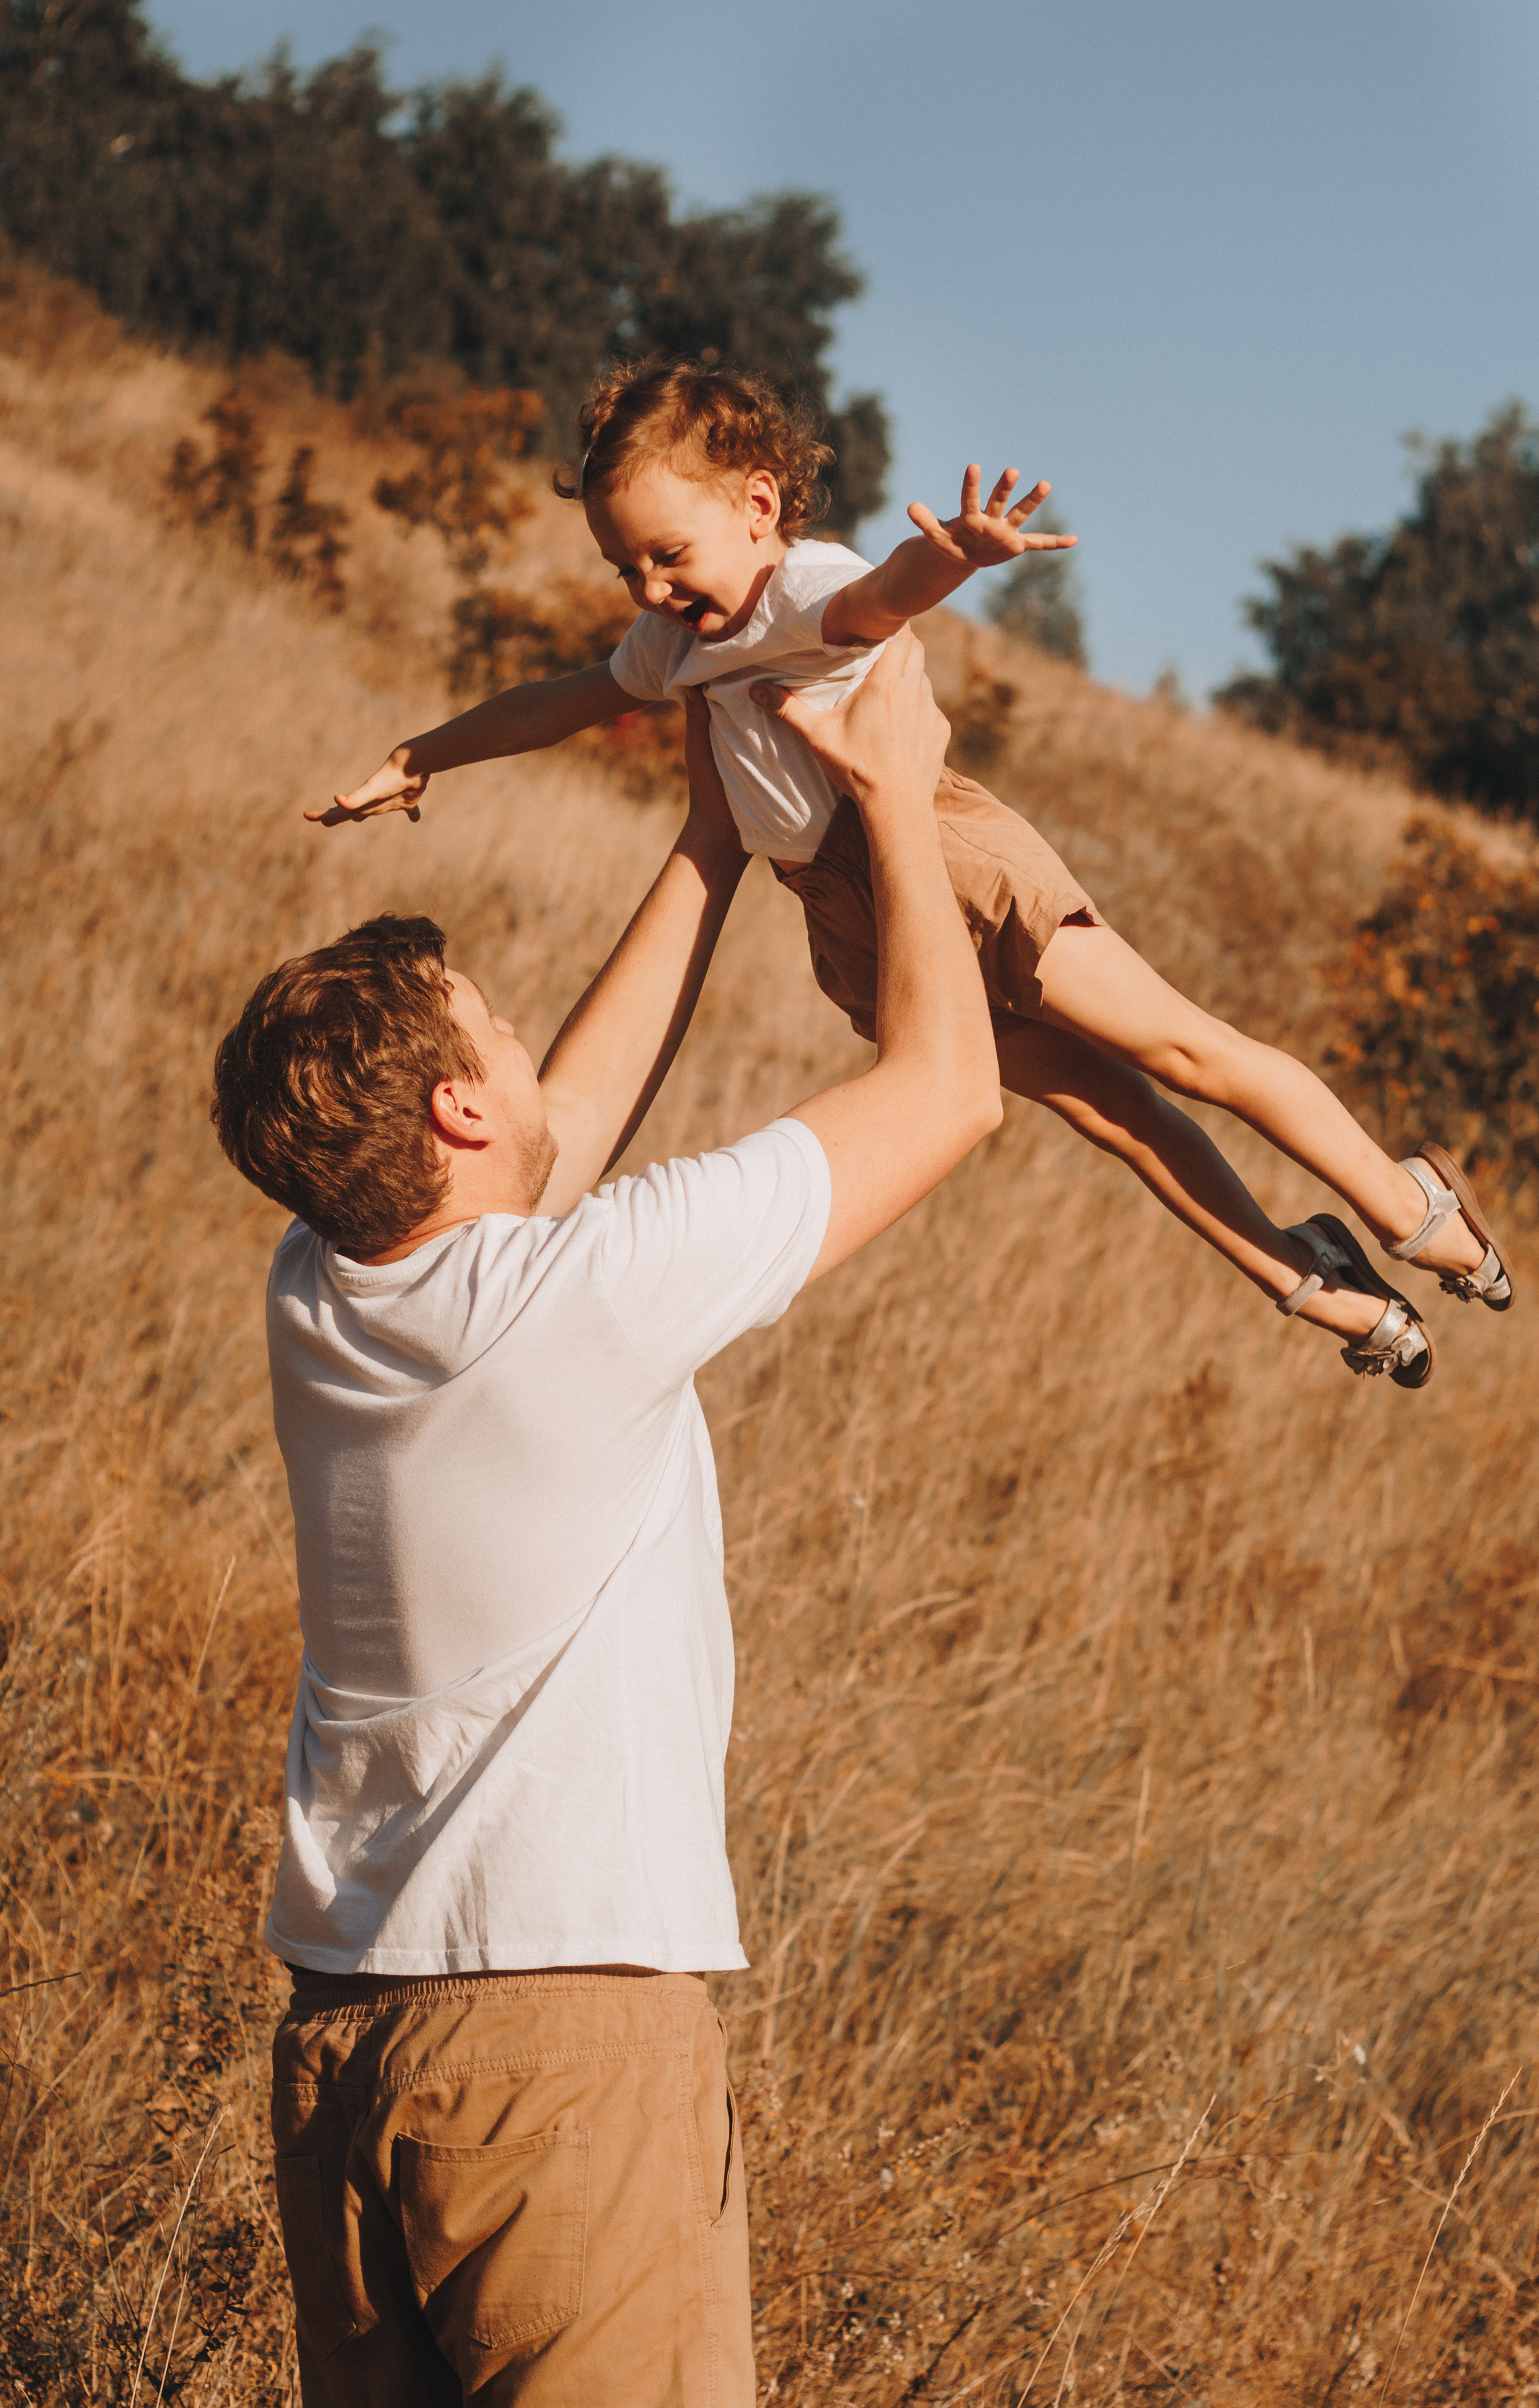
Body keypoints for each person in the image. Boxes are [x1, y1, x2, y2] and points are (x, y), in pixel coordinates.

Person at [211, 632, 1000, 2405]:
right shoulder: (576, 1302)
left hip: (344, 2044)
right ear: (458, 1107)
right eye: (498, 1024)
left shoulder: (318, 1284)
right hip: (557, 2042)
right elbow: (952, 1090)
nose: (522, 1041)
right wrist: (889, 795)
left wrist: (712, 843)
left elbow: (549, 1129)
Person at [322, 360, 1514, 1389]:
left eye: (667, 554)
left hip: (940, 854)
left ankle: (1407, 1203)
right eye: (624, 565)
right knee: (1117, 1116)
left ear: (758, 505)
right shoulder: (674, 645)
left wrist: (959, 559)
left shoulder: (794, 585)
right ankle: (1314, 1283)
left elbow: (875, 597)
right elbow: (560, 701)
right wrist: (423, 755)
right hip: (851, 914)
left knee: (1182, 1051)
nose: (648, 590)